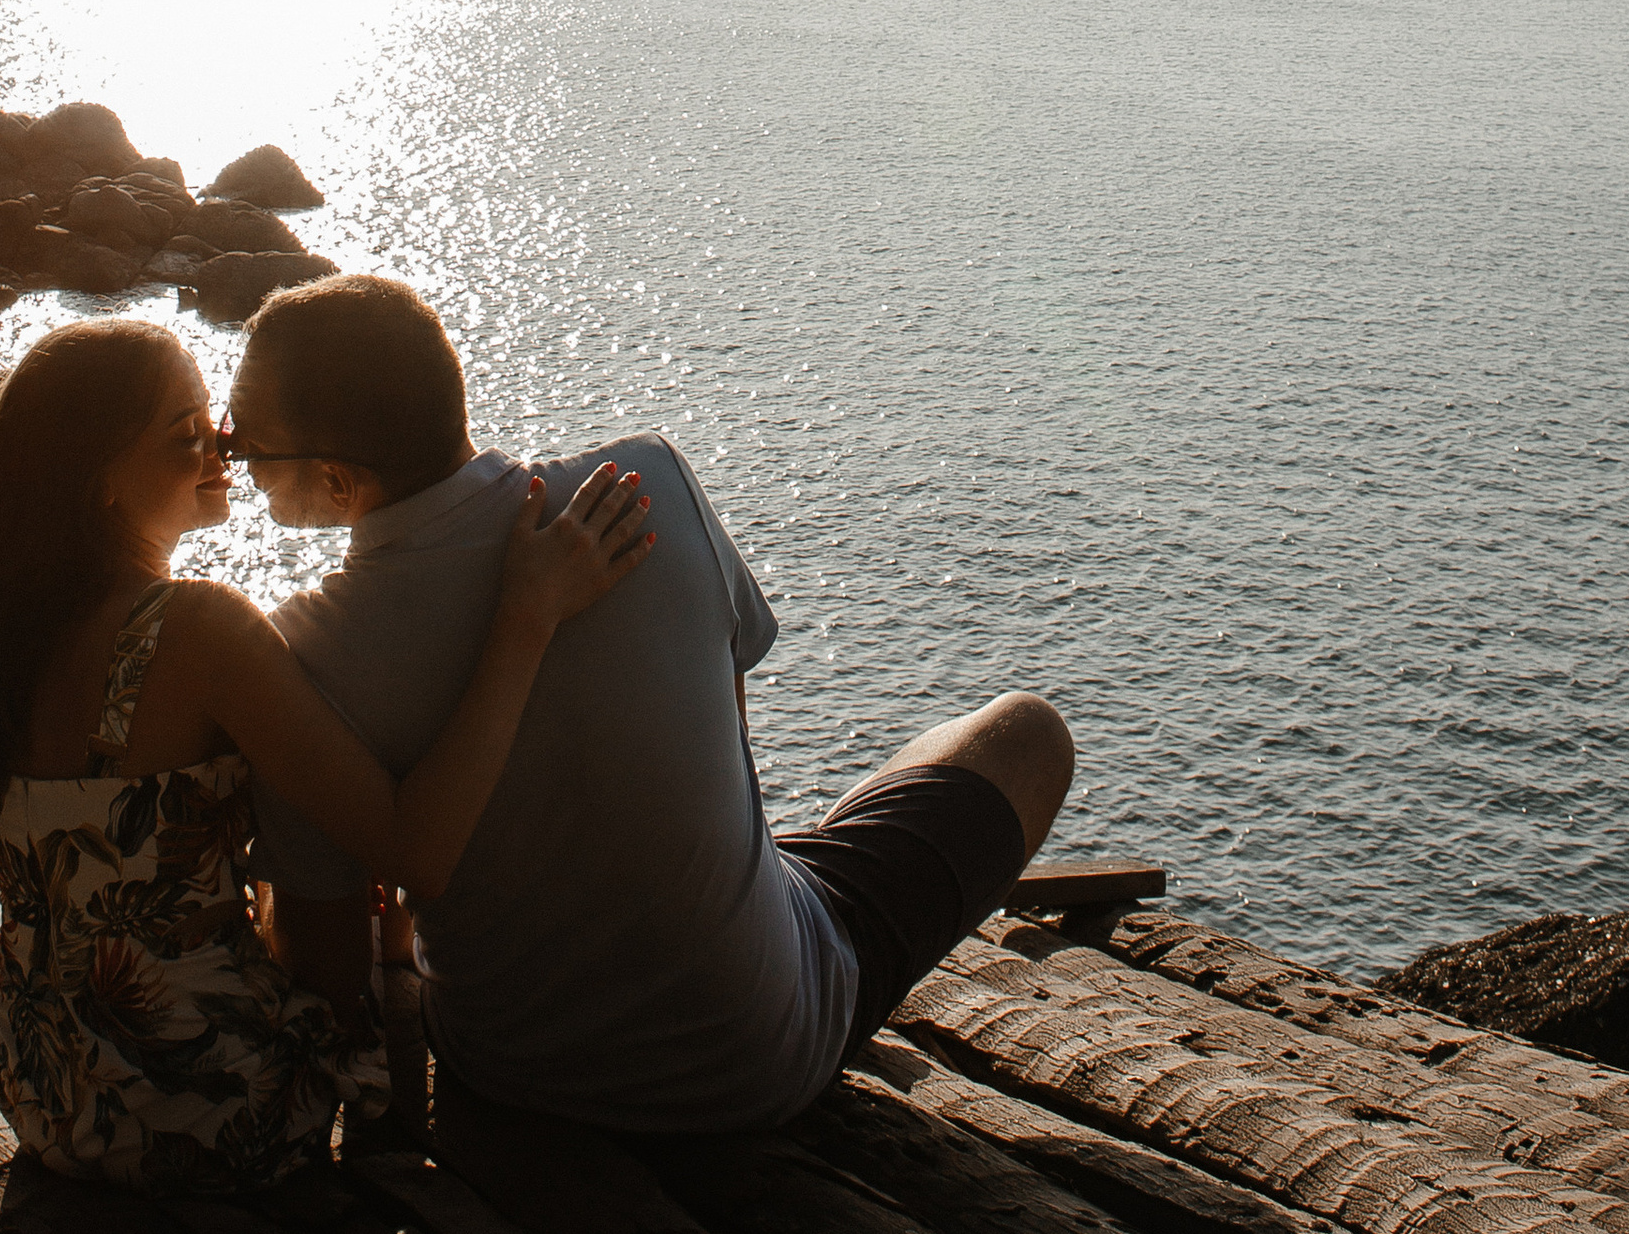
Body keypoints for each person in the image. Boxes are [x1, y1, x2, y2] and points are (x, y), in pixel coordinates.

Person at [230, 273, 1074, 1132]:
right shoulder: (642, 488)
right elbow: (731, 730)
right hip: (762, 1057)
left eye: (246, 448)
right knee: (1026, 733)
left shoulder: (302, 658)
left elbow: (323, 965)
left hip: (510, 1072)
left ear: (337, 481)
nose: (237, 463)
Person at [0, 315, 651, 1189]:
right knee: (357, 894)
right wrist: (526, 618)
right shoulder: (195, 629)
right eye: (189, 435)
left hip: (53, 1098)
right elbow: (419, 850)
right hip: (204, 1106)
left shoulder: (13, 637)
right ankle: (403, 1138)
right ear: (100, 483)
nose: (223, 450)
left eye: (218, 428)